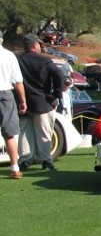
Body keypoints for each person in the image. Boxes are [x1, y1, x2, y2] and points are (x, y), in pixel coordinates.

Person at [17, 33, 64, 171]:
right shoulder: (45, 61)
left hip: (22, 101)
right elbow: (59, 76)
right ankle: (46, 160)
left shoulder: (18, 60)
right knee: (44, 133)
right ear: (35, 45)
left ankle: (25, 160)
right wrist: (55, 95)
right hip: (42, 101)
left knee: (24, 133)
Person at [0, 29, 28, 179]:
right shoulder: (9, 56)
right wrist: (23, 101)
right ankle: (15, 168)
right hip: (5, 94)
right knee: (9, 134)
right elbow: (18, 81)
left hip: (5, 93)